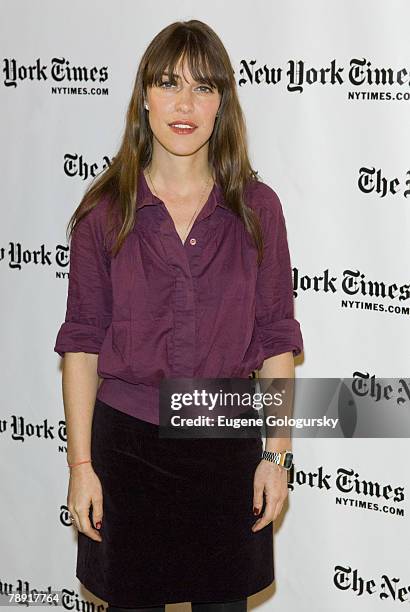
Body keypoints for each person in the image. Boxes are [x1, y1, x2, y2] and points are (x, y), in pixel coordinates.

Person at [53, 19, 303, 612]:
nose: (185, 104)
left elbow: (276, 342)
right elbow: (82, 347)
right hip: (128, 456)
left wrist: (276, 455)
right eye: (168, 84)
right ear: (144, 98)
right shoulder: (102, 215)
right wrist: (82, 467)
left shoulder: (259, 210)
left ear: (223, 104)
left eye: (203, 87)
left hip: (226, 453)